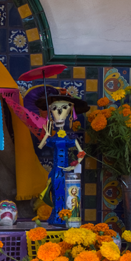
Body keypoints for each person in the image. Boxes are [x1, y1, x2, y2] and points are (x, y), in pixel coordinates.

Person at [35, 90, 89, 227]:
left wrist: (74, 165)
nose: (58, 112)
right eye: (54, 109)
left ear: (70, 111)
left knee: (66, 194)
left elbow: (81, 152)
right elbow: (41, 146)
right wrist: (46, 134)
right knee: (55, 193)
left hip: (66, 171)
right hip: (55, 172)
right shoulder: (53, 137)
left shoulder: (70, 137)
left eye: (63, 108)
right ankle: (57, 216)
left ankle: (65, 216)